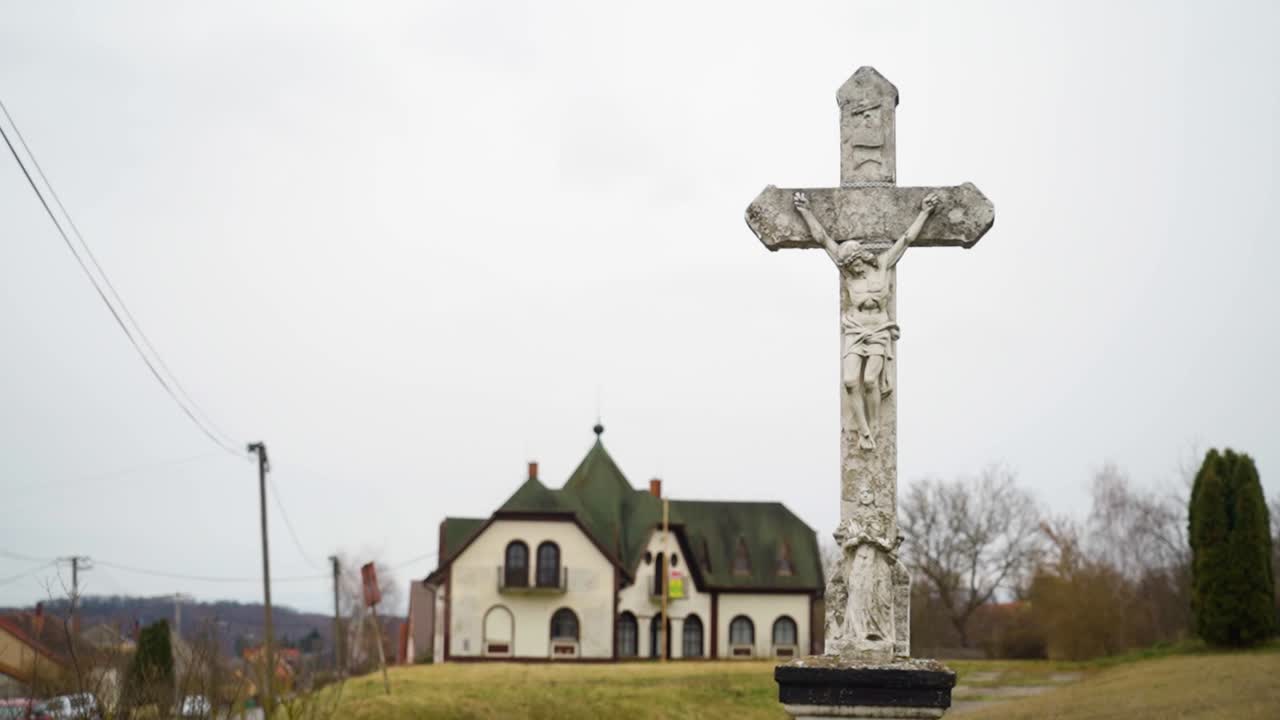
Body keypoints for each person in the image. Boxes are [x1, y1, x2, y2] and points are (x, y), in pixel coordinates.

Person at [793, 190, 938, 450]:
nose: (853, 269)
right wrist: (805, 212)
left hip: (879, 330)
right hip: (855, 329)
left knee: (870, 381)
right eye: (848, 266)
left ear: (861, 257)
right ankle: (863, 431)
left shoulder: (883, 265)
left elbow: (906, 240)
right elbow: (823, 239)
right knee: (850, 382)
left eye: (854, 264)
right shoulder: (850, 277)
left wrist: (925, 213)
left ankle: (874, 426)